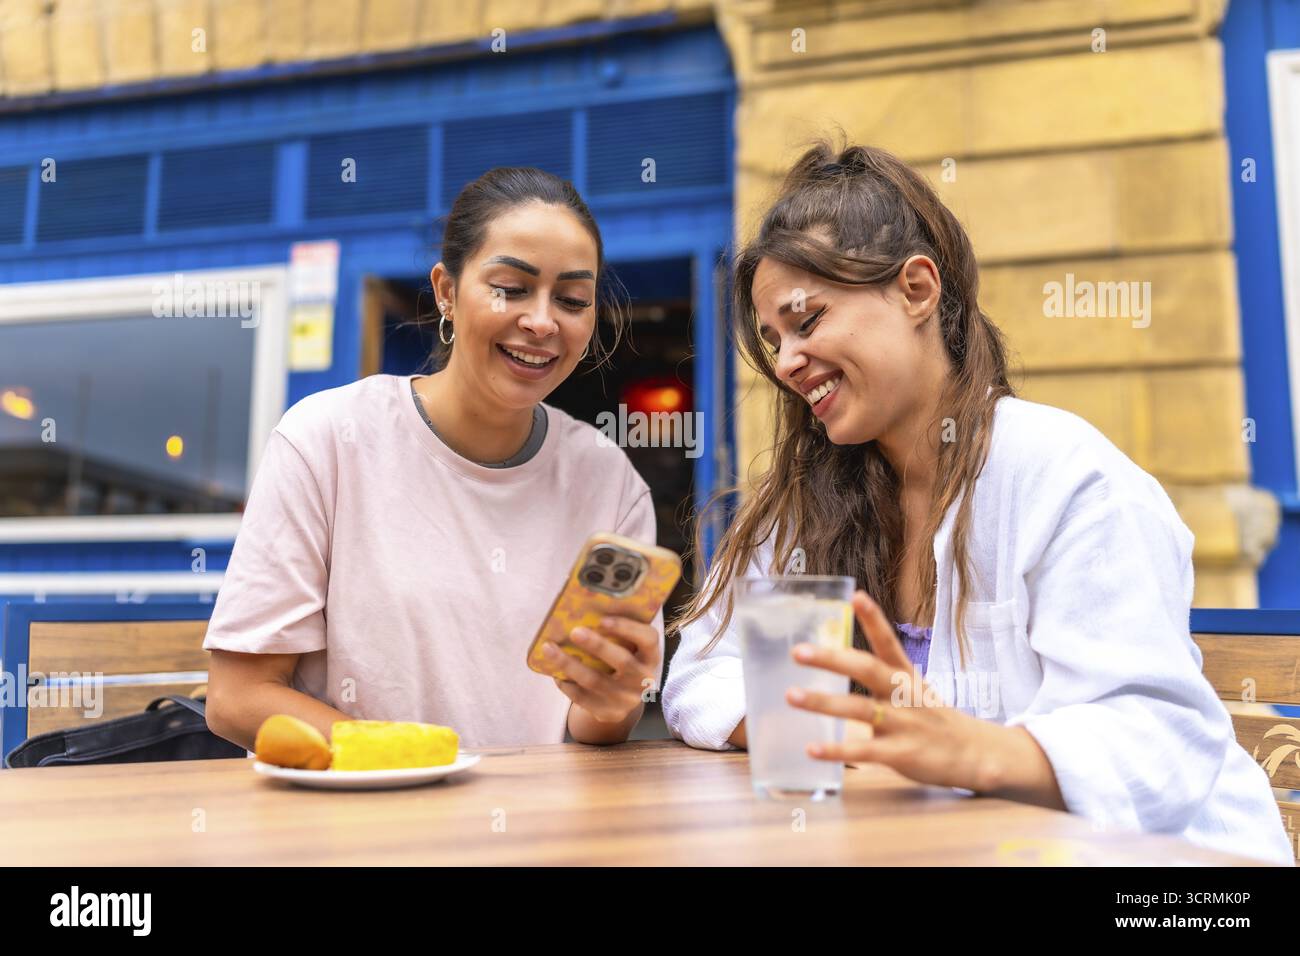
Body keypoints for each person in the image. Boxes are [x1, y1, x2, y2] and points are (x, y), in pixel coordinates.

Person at [662, 139, 1294, 865]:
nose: (786, 362)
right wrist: (836, 728)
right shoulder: (804, 507)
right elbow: (703, 672)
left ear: (917, 290)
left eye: (807, 321)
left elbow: (1155, 738)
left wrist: (972, 752)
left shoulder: (1067, 478)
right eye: (773, 339)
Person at [205, 167, 662, 751]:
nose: (543, 321)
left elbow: (590, 729)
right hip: (359, 822)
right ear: (447, 290)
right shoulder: (326, 439)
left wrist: (613, 700)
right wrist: (419, 765)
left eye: (572, 299)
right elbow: (238, 698)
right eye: (512, 288)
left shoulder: (610, 482)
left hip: (536, 828)